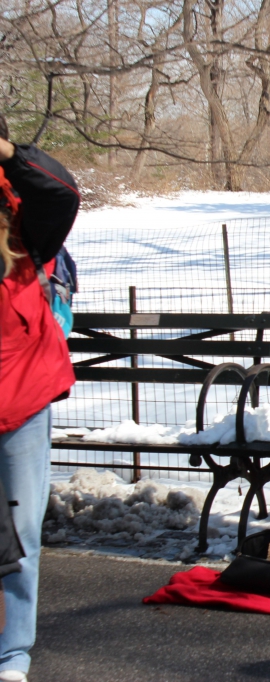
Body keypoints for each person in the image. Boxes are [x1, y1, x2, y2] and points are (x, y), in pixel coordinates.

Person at [0, 114, 81, 682]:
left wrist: (9, 154)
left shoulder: (24, 222)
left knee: (17, 534)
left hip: (20, 400)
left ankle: (11, 653)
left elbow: (62, 192)